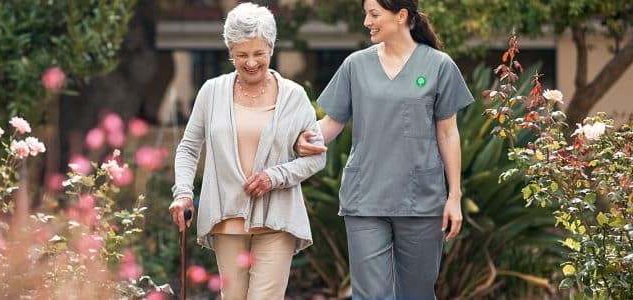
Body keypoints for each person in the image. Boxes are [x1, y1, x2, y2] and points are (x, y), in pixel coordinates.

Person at [294, 0, 474, 298]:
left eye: (374, 14)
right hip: (366, 198)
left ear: (401, 16)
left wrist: (454, 196)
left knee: (416, 294)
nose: (367, 22)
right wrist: (303, 139)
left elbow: (448, 133)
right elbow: (331, 123)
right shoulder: (356, 65)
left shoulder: (439, 66)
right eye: (366, 14)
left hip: (421, 200)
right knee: (369, 296)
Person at [168, 3, 326, 299]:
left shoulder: (294, 96)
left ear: (272, 48)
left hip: (277, 219)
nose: (251, 62)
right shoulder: (211, 92)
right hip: (227, 220)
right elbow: (189, 148)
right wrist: (183, 193)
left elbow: (317, 157)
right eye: (242, 55)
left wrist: (275, 176)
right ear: (230, 53)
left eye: (259, 54)